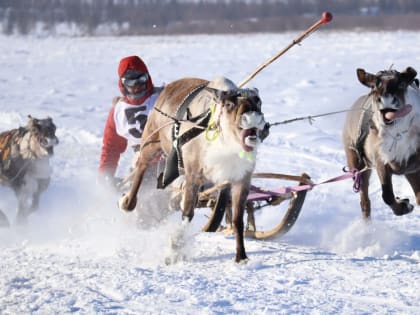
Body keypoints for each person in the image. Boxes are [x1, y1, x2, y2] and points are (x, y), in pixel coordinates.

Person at [98, 55, 161, 186]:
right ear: (123, 83)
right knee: (145, 198)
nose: (137, 86)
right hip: (143, 163)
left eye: (141, 80)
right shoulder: (119, 112)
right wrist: (106, 174)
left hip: (172, 156)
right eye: (131, 83)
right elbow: (111, 147)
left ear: (147, 78)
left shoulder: (162, 98)